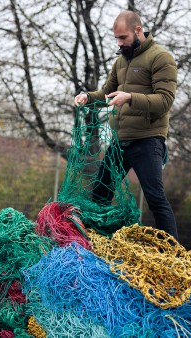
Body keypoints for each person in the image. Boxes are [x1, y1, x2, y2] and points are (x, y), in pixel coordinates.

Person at [74, 10, 178, 239]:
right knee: (100, 193)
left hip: (148, 139)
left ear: (138, 30)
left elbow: (165, 101)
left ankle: (175, 255)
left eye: (124, 38)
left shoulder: (161, 58)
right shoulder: (121, 61)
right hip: (121, 140)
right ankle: (95, 245)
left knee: (155, 198)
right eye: (117, 39)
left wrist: (130, 97)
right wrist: (88, 97)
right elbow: (106, 92)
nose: (120, 43)